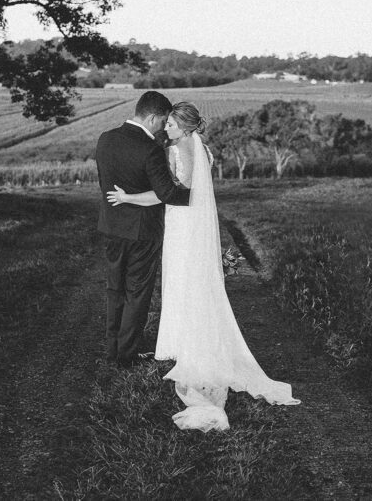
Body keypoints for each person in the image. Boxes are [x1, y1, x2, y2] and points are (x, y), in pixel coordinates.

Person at [106, 102, 300, 431]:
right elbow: (195, 193)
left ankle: (182, 344)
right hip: (198, 226)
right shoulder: (205, 151)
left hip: (181, 226)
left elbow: (163, 195)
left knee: (180, 280)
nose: (165, 129)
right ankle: (193, 339)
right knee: (196, 281)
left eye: (170, 124)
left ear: (184, 127)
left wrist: (127, 198)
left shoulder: (173, 152)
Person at [95, 91, 191, 368]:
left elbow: (104, 181)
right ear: (152, 118)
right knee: (137, 293)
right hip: (143, 232)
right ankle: (126, 357)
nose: (163, 127)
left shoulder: (105, 139)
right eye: (162, 121)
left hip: (111, 226)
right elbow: (167, 193)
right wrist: (197, 196)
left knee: (115, 289)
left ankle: (112, 351)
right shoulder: (150, 149)